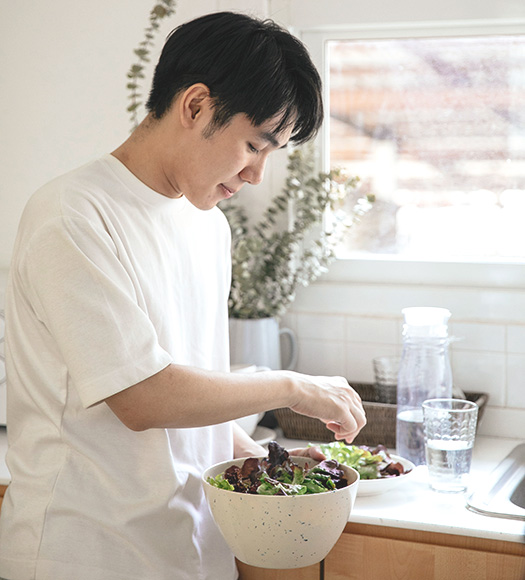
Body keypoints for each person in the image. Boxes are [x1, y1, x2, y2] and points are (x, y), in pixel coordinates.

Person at [0, 11, 366, 580]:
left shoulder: (206, 225)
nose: (256, 176)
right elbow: (143, 398)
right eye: (254, 145)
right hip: (88, 553)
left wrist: (256, 456)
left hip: (195, 547)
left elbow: (190, 383)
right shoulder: (72, 214)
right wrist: (293, 386)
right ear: (195, 105)